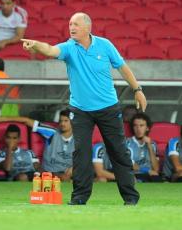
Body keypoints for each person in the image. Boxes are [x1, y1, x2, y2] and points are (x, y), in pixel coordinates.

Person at [21, 12, 146, 205]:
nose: (71, 27)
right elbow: (50, 50)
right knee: (81, 153)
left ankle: (131, 198)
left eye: (76, 24)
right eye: (70, 23)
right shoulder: (69, 48)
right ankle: (79, 198)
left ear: (88, 28)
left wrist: (137, 89)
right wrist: (36, 45)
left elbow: (122, 67)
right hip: (80, 110)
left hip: (108, 108)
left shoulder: (105, 45)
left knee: (118, 152)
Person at [0, 109, 74, 181]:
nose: (62, 123)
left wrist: (73, 167)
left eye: (66, 121)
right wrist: (3, 119)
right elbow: (27, 121)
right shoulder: (52, 132)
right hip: (52, 171)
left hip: (69, 172)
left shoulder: (80, 139)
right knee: (63, 178)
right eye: (60, 121)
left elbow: (85, 158)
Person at [126, 113, 161, 182]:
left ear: (147, 128)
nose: (138, 129)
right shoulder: (127, 143)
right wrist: (147, 170)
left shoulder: (152, 144)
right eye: (135, 126)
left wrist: (149, 146)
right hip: (134, 175)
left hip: (150, 176)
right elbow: (130, 165)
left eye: (141, 126)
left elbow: (156, 169)